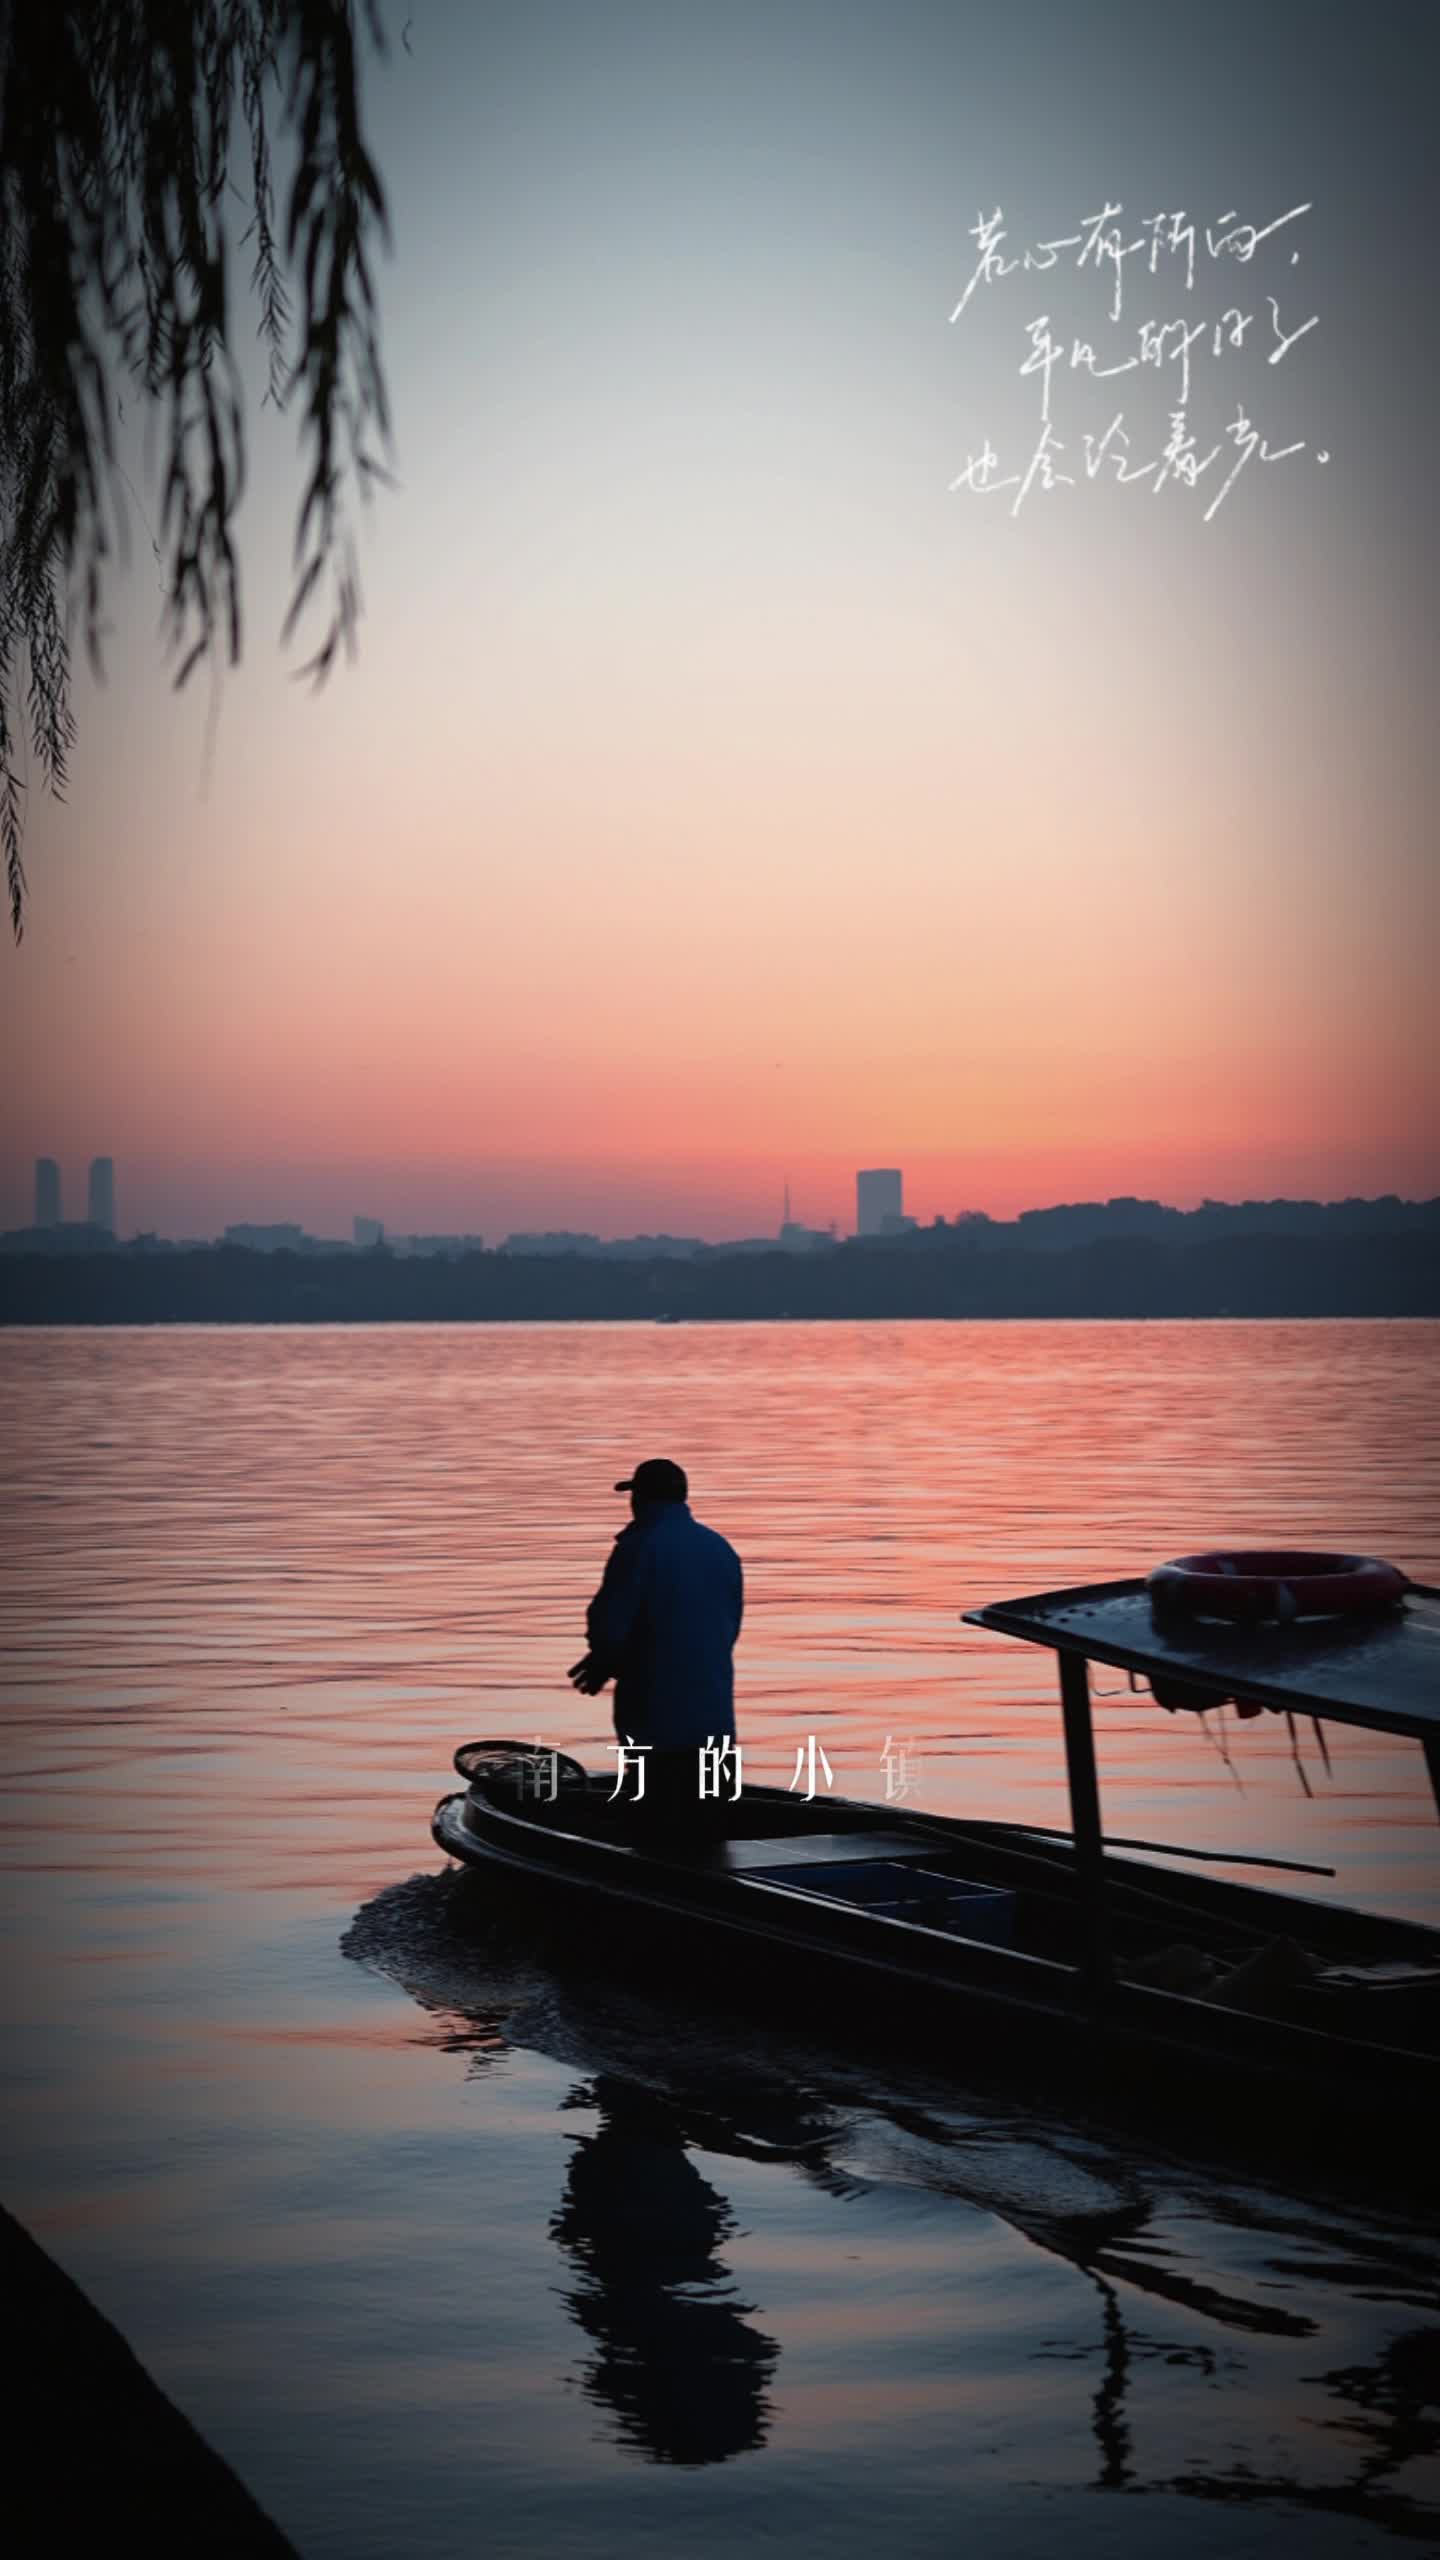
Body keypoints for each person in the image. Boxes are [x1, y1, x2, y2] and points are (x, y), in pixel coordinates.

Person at [569, 1458, 743, 1848]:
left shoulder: (639, 1547)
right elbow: (727, 1629)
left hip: (658, 1726)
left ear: (643, 1499)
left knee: (654, 1842)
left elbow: (610, 1622)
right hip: (715, 1724)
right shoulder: (720, 1549)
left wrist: (603, 1661)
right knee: (710, 1842)